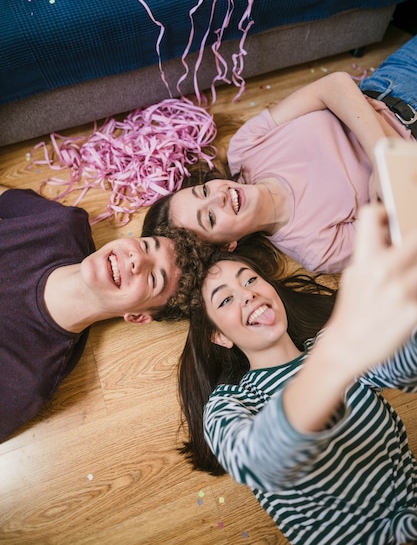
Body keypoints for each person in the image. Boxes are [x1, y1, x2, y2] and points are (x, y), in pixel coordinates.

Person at [177, 203, 417, 544]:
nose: (248, 294)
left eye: (250, 280)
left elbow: (403, 368)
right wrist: (339, 352)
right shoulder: (230, 404)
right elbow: (259, 462)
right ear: (220, 335)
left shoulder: (327, 341)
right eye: (226, 300)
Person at [143, 35, 417, 273]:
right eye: (211, 218)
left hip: (396, 79)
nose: (219, 196)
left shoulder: (245, 148)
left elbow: (334, 86)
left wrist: (384, 158)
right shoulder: (315, 248)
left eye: (203, 192)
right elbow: (407, 218)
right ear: (228, 245)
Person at [0, 185, 214, 443]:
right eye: (146, 246)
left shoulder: (27, 379)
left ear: (137, 316)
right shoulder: (63, 226)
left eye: (154, 278)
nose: (137, 259)